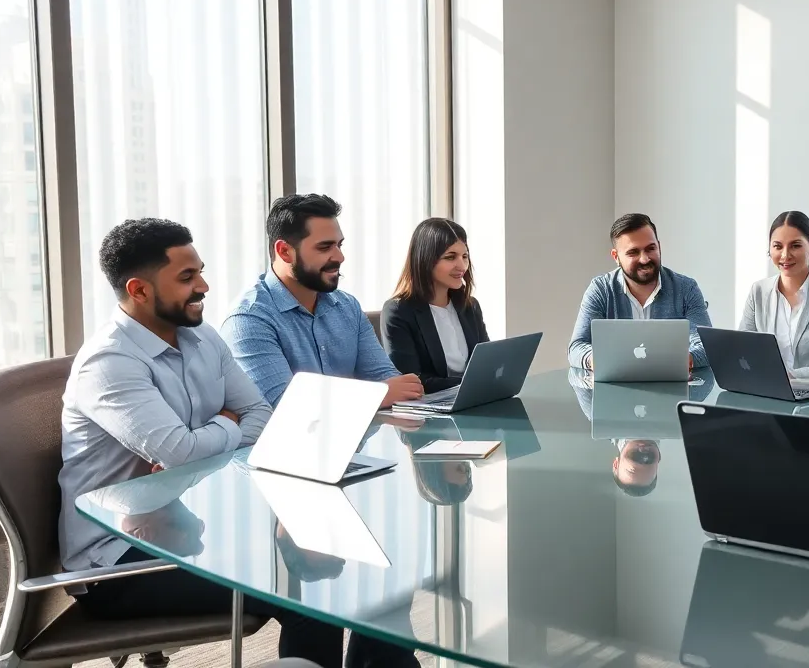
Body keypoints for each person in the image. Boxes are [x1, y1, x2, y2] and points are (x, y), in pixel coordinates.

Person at [59, 219, 344, 666]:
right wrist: (224, 424)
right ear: (139, 290)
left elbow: (261, 416)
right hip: (120, 562)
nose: (204, 286)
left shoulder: (202, 336)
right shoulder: (109, 363)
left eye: (201, 272)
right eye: (187, 277)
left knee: (324, 557)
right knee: (308, 595)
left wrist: (201, 439)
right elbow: (182, 452)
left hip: (191, 524)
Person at [221, 194, 424, 408]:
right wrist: (376, 395)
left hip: (359, 429)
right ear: (284, 251)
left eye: (339, 245)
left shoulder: (348, 306)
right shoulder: (248, 319)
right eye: (325, 247)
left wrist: (378, 393)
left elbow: (393, 384)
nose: (340, 257)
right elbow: (285, 407)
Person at [568, 213, 712, 370]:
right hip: (615, 383)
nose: (645, 259)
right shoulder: (601, 290)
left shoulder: (686, 289)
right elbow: (577, 346)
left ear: (659, 247)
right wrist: (595, 359)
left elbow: (706, 345)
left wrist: (685, 359)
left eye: (651, 249)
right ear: (616, 256)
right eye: (633, 252)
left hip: (672, 382)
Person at [738, 210, 809, 379]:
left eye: (795, 246)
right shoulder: (758, 291)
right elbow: (743, 351)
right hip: (761, 389)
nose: (785, 255)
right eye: (778, 246)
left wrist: (782, 378)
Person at [381, 217, 490, 393]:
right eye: (450, 257)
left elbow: (486, 363)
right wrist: (471, 383)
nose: (462, 266)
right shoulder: (398, 311)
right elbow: (413, 381)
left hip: (474, 398)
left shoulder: (470, 306)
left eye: (464, 256)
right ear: (425, 260)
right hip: (431, 405)